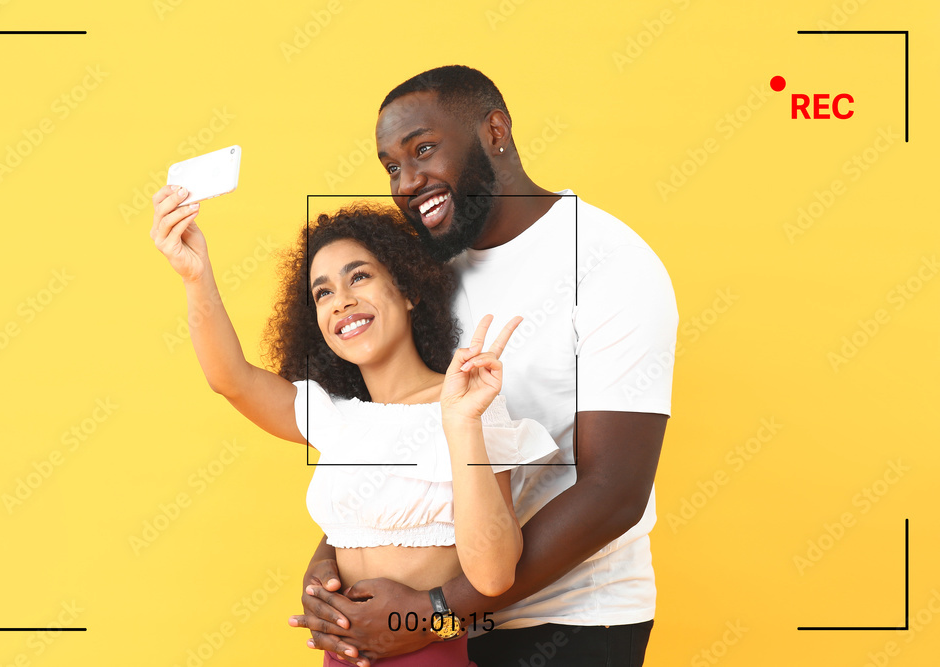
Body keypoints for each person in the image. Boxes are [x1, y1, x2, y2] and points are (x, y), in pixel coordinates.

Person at [292, 65, 679, 667]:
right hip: (446, 632)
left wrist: (439, 610)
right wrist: (333, 563)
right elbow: (408, 446)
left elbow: (615, 491)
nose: (408, 181)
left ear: (494, 130)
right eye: (392, 166)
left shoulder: (610, 262)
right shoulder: (428, 274)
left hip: (571, 622)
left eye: (423, 150)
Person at [149, 192, 558, 666]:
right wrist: (195, 275)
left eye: (358, 277)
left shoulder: (467, 405)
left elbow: (493, 578)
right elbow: (231, 379)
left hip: (429, 656)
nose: (341, 301)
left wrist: (462, 424)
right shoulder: (335, 416)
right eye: (323, 293)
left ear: (408, 291)